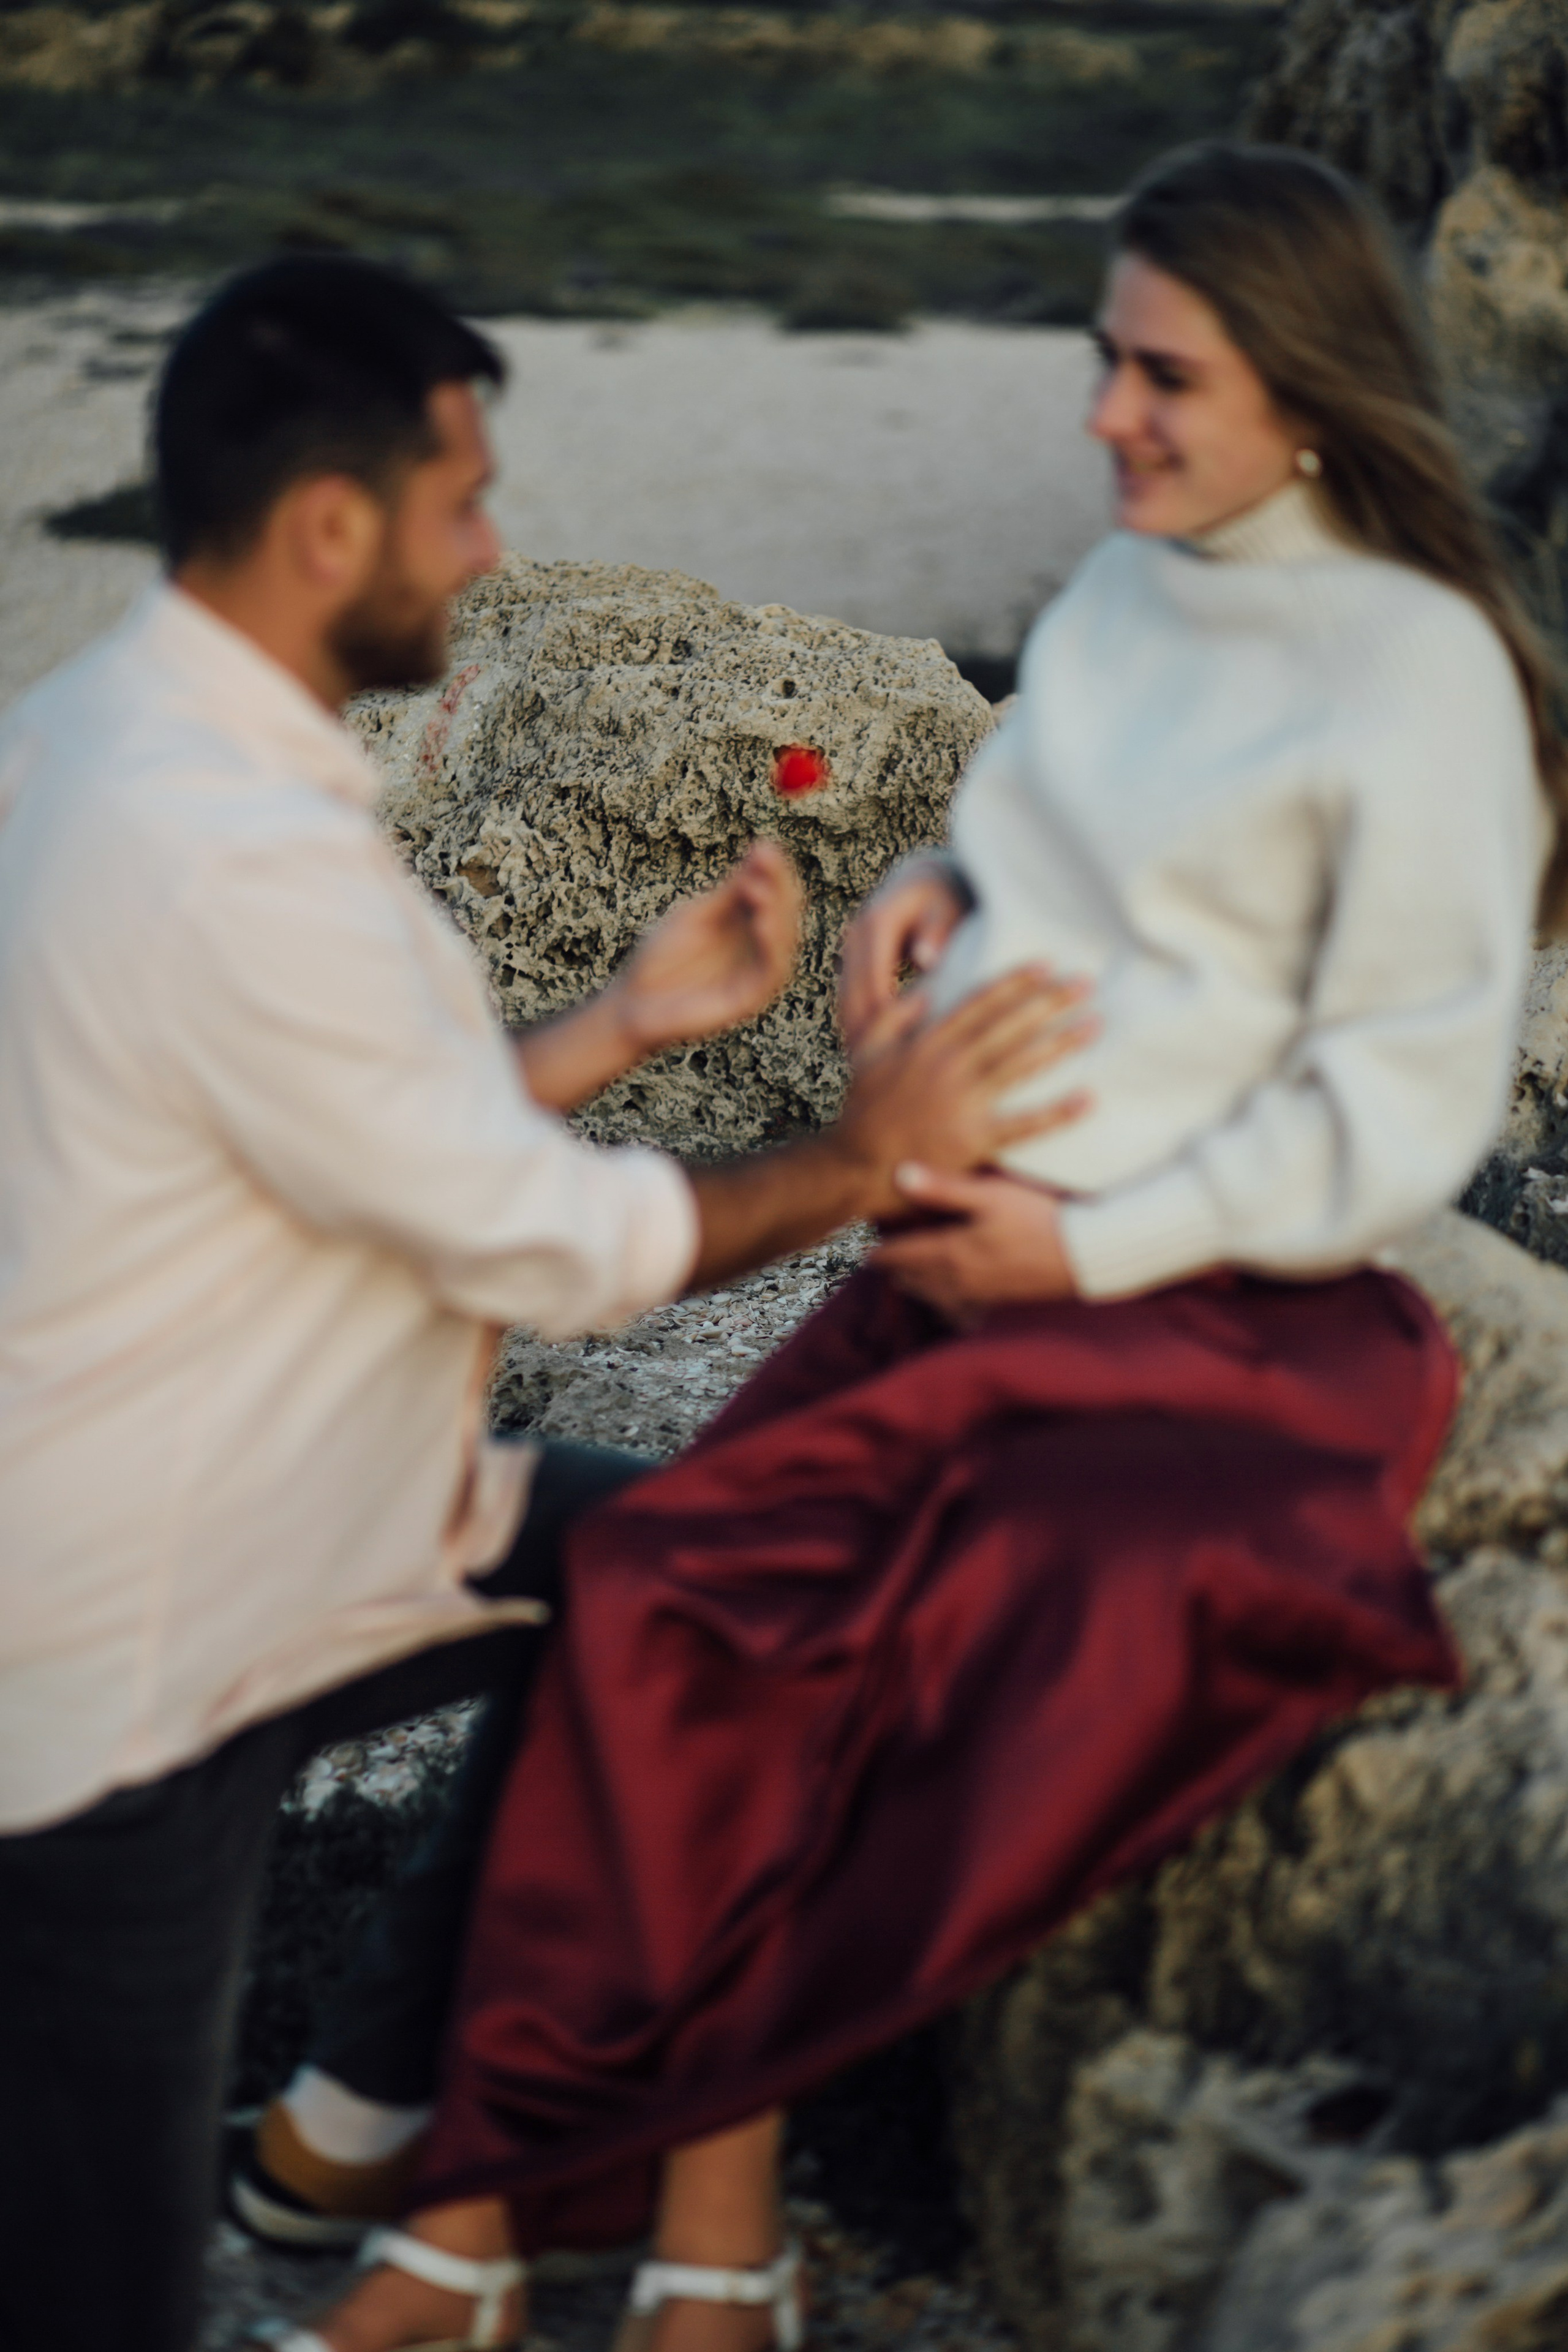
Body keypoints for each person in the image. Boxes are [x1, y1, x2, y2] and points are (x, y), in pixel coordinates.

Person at [256, 138, 1562, 2352]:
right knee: (668, 1587)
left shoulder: (1420, 680)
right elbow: (1034, 822)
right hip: (967, 1261)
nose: (1109, 415)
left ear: (1308, 392)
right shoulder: (1130, 597)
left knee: (778, 1634)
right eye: (1105, 361)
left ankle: (515, 2227)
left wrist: (1085, 1253)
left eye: (1165, 377)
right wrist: (924, 905)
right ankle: (618, 2239)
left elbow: (1404, 1122)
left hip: (1235, 1328)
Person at [0, 254, 1088, 2352]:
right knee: (91, 2288)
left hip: (311, 1523)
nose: (492, 550)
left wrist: (622, 1025)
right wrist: (866, 1158)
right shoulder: (227, 856)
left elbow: (339, 1135)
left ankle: (367, 2121)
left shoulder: (108, 742)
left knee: (665, 1574)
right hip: (143, 1641)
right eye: (464, 502)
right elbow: (560, 1251)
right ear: (335, 526)